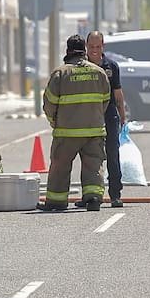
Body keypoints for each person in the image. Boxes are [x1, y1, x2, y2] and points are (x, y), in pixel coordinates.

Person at [41, 35, 112, 211]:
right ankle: (93, 198)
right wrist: (94, 117)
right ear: (84, 50)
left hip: (67, 132)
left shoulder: (60, 74)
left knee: (60, 166)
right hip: (94, 131)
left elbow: (49, 103)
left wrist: (53, 121)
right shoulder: (99, 73)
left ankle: (56, 201)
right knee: (93, 165)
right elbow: (105, 100)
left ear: (67, 51)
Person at [86, 30, 128, 207]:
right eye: (91, 47)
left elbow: (118, 93)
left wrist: (122, 116)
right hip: (88, 115)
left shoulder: (111, 66)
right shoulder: (81, 66)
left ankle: (115, 194)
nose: (94, 50)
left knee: (112, 153)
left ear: (103, 46)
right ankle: (90, 196)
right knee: (89, 156)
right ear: (86, 46)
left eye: (98, 46)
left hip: (109, 114)